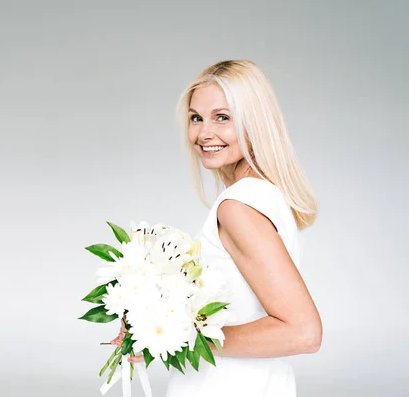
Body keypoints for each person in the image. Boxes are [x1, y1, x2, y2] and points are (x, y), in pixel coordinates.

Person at [111, 59, 322, 396]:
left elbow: (303, 332)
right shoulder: (266, 196)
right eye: (196, 118)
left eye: (222, 117)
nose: (203, 133)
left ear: (256, 123)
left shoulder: (238, 206)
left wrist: (175, 334)